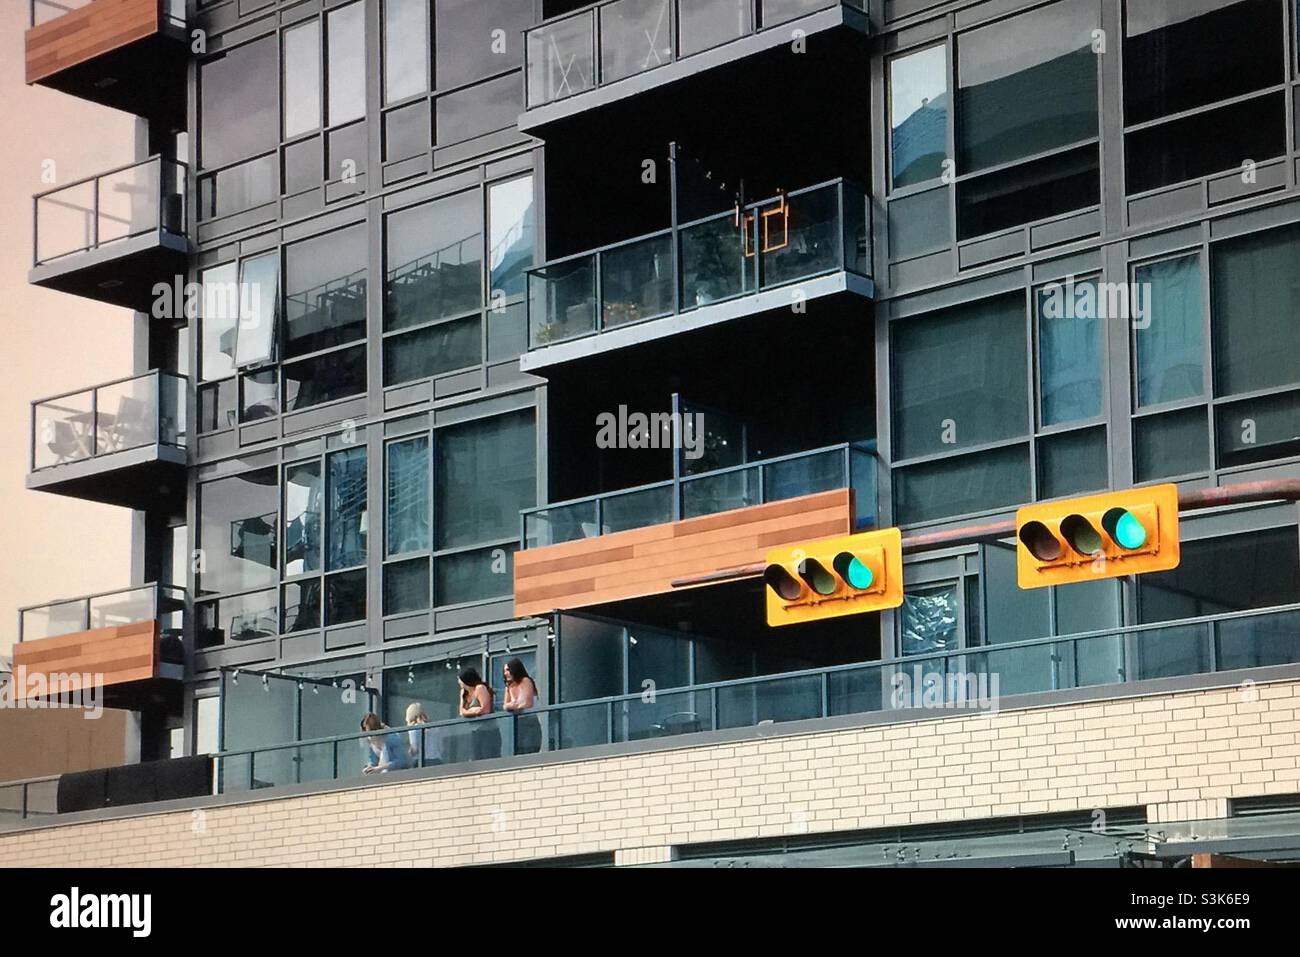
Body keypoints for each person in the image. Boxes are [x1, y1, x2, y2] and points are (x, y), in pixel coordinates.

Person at [458, 668, 500, 760]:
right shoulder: (463, 693)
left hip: (489, 731)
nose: (459, 682)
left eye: (460, 679)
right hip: (475, 731)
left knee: (489, 757)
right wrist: (474, 710)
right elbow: (461, 711)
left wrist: (469, 711)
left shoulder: (480, 688)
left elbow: (485, 710)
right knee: (475, 758)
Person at [502, 658, 541, 755]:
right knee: (517, 751)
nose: (505, 673)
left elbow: (528, 704)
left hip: (530, 721)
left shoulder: (526, 681)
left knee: (530, 748)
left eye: (507, 670)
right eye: (504, 671)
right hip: (516, 722)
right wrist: (514, 705)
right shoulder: (509, 686)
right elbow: (505, 705)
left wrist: (513, 706)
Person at [404, 701, 442, 767]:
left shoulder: (413, 729)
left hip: (422, 762)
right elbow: (441, 748)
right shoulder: (435, 728)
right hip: (437, 761)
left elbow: (415, 749)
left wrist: (408, 752)